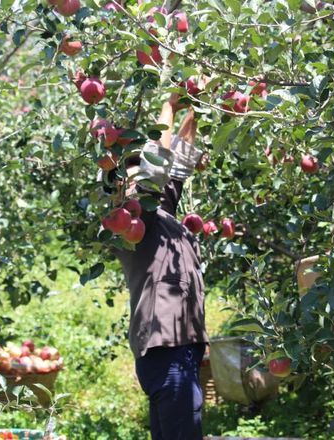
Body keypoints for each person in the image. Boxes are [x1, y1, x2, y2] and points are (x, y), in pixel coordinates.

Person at [109, 93, 209, 440]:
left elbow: (179, 161)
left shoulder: (159, 213)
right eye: (133, 173)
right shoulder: (130, 219)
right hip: (166, 350)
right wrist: (167, 104)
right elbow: (159, 164)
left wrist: (196, 104)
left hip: (178, 348)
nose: (141, 181)